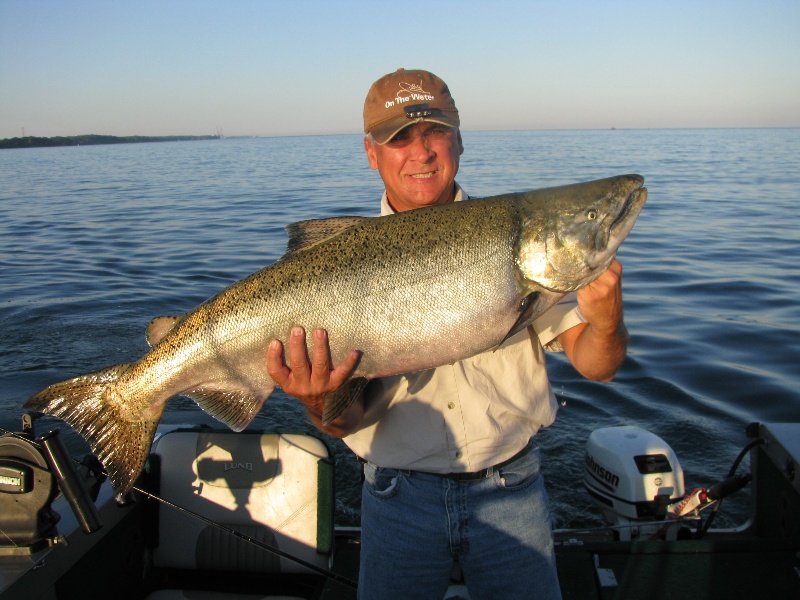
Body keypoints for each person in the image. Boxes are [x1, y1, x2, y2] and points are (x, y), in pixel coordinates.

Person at [266, 69, 629, 600]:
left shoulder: (522, 240)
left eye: (434, 131)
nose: (421, 152)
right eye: (399, 139)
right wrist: (319, 402)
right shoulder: (339, 264)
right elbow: (341, 424)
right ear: (371, 153)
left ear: (459, 140)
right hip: (396, 499)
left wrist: (607, 320)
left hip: (514, 490)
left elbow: (599, 365)